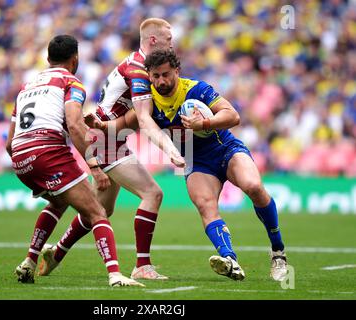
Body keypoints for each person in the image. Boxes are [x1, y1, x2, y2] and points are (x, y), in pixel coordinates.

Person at [99, 49, 288, 281]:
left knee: (254, 187)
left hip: (225, 149)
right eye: (155, 76)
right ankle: (230, 260)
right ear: (149, 75)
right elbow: (124, 123)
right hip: (196, 161)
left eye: (166, 74)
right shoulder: (147, 103)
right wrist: (98, 125)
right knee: (206, 206)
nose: (161, 81)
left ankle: (278, 252)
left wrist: (205, 122)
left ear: (177, 71)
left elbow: (233, 115)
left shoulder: (196, 89)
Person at [38, 18, 183, 281]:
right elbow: (143, 119)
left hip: (107, 135)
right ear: (153, 40)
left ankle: (56, 253)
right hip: (105, 139)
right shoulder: (139, 70)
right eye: (169, 39)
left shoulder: (141, 64)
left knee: (100, 210)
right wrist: (170, 149)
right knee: (153, 193)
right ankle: (142, 265)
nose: (172, 44)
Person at [5, 34, 144, 287]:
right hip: (48, 151)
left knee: (58, 202)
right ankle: (115, 275)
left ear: (48, 59)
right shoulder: (70, 82)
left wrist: (27, 163)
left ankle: (29, 261)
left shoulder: (26, 87)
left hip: (20, 158)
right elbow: (75, 126)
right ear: (75, 59)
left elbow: (8, 143)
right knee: (97, 212)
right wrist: (95, 167)